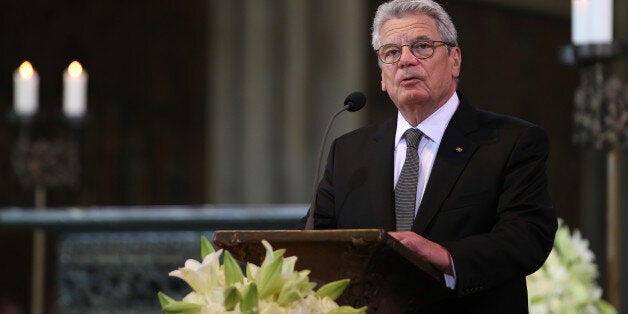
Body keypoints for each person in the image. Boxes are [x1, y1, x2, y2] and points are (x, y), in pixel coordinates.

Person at [300, 0, 557, 312]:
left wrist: (446, 256)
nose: (406, 60)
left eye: (421, 46)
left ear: (454, 60)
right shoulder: (349, 152)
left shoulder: (510, 142)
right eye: (391, 53)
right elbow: (313, 241)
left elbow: (528, 236)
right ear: (382, 75)